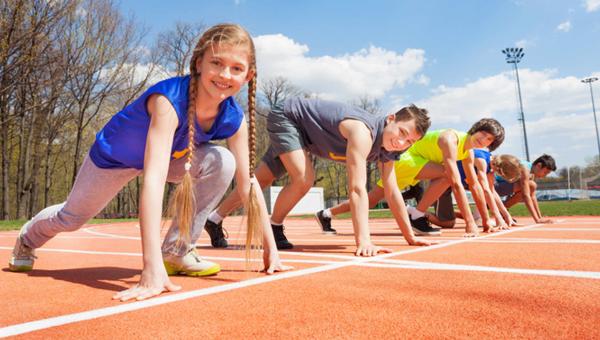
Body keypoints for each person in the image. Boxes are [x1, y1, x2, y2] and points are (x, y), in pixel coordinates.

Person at [8, 23, 291, 302]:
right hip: (114, 158)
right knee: (71, 219)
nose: (225, 74)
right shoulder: (168, 101)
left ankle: (177, 250)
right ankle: (28, 238)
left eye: (236, 68)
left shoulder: (233, 118)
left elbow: (247, 184)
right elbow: (153, 180)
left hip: (173, 159)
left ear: (249, 75)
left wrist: (271, 249)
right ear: (199, 64)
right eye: (216, 62)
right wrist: (150, 268)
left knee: (222, 161)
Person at [204, 100, 434, 256]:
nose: (402, 143)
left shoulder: (391, 150)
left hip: (308, 138)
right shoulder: (362, 133)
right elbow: (356, 189)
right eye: (402, 133)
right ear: (390, 119)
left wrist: (410, 236)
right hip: (289, 117)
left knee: (259, 180)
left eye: (410, 142)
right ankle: (275, 226)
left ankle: (213, 219)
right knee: (304, 179)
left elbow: (391, 191)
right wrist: (364, 240)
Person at [318, 119, 505, 238]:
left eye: (489, 140)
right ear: (476, 129)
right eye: (483, 133)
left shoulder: (468, 152)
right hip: (406, 158)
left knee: (372, 199)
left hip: (417, 163)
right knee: (448, 176)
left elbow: (475, 185)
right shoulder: (451, 140)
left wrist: (487, 220)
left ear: (491, 145)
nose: (483, 139)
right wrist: (471, 223)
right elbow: (456, 183)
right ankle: (416, 214)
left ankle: (326, 214)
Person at [429, 152, 522, 231]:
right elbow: (485, 191)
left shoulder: (491, 164)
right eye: (501, 174)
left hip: (453, 184)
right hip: (441, 182)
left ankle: (421, 213)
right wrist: (498, 217)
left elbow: (492, 191)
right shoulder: (481, 160)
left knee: (449, 220)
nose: (498, 175)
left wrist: (507, 216)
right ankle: (417, 214)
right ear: (499, 168)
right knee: (448, 223)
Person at [495, 154, 556, 224]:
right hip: (494, 185)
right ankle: (501, 209)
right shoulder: (525, 169)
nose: (545, 176)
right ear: (539, 165)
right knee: (531, 185)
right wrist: (537, 220)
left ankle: (502, 210)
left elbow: (532, 196)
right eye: (545, 172)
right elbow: (526, 195)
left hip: (500, 185)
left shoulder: (530, 171)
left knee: (531, 186)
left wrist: (540, 217)